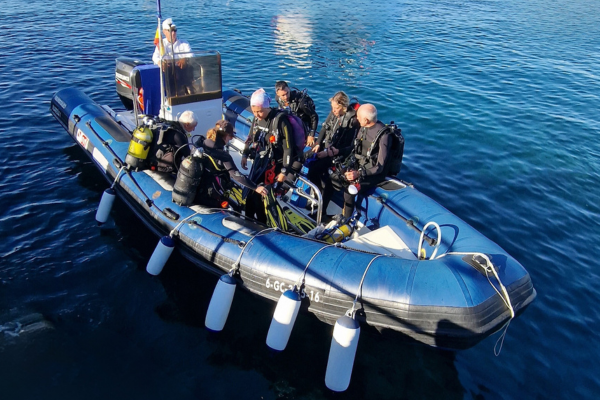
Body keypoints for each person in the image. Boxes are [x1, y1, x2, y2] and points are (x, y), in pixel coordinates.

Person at [328, 104, 392, 220]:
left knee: (349, 191)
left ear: (366, 120)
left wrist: (358, 173)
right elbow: (354, 147)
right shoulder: (363, 128)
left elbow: (380, 167)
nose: (356, 119)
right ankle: (323, 211)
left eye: (358, 117)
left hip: (374, 173)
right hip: (360, 165)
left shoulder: (384, 136)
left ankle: (346, 219)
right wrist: (340, 153)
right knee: (333, 176)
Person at [242, 88, 297, 222]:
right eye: (254, 111)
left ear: (267, 107)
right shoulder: (256, 119)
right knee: (250, 192)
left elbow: (288, 148)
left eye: (260, 111)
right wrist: (245, 153)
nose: (257, 115)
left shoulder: (280, 121)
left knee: (260, 195)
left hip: (274, 165)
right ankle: (248, 219)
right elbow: (250, 137)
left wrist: (284, 171)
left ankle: (263, 222)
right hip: (260, 162)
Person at [305, 92, 360, 212]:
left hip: (340, 154)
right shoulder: (334, 113)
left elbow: (350, 147)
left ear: (344, 107)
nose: (334, 111)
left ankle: (321, 208)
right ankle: (316, 192)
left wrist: (329, 153)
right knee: (306, 159)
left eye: (336, 108)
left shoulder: (352, 121)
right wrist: (318, 143)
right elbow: (325, 127)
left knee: (320, 172)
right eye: (333, 108)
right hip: (328, 147)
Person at [194, 120, 267, 208]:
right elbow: (236, 175)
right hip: (210, 194)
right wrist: (256, 187)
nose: (231, 139)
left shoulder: (201, 143)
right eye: (231, 136)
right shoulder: (223, 155)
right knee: (236, 209)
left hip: (196, 190)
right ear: (226, 135)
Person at [152, 18, 193, 96]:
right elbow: (155, 57)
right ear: (164, 32)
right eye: (170, 30)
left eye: (175, 30)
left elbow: (191, 55)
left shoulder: (184, 43)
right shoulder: (161, 44)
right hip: (168, 76)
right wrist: (160, 62)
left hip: (183, 74)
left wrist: (185, 59)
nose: (173, 33)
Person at [275, 81, 319, 146]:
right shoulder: (278, 99)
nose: (286, 97)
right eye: (283, 95)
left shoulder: (301, 103)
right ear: (277, 94)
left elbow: (314, 116)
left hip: (303, 126)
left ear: (289, 89)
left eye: (287, 93)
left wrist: (311, 135)